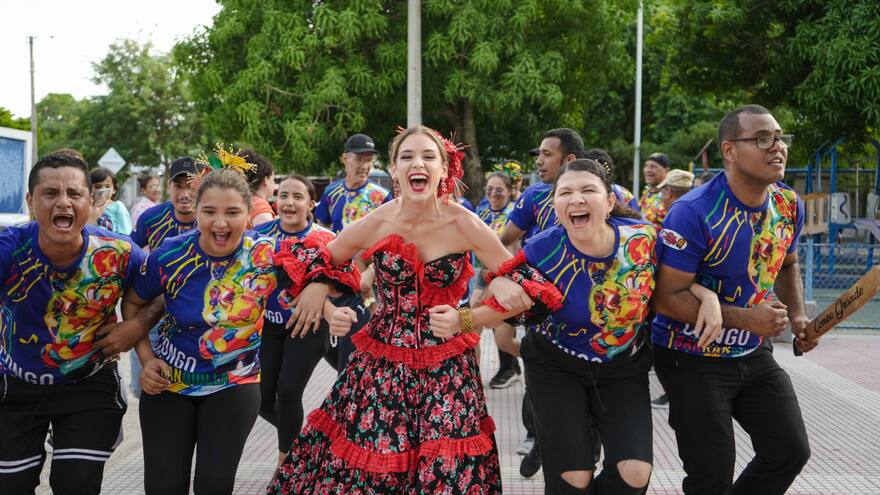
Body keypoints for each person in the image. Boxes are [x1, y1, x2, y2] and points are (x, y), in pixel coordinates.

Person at [268, 126, 560, 494]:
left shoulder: (463, 222)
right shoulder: (379, 220)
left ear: (443, 170)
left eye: (428, 156)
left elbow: (528, 292)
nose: (416, 163)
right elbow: (324, 261)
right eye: (407, 156)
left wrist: (471, 312)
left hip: (447, 368)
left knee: (447, 471)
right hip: (381, 366)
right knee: (372, 467)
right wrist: (319, 289)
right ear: (394, 169)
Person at [441, 159, 720, 494]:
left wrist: (707, 296)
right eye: (566, 193)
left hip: (623, 368)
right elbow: (503, 306)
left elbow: (672, 282)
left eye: (588, 190)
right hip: (555, 367)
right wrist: (462, 319)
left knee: (635, 473)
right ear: (555, 204)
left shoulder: (643, 239)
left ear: (610, 201)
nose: (576, 199)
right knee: (574, 478)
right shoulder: (544, 249)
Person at [127, 164, 356, 495]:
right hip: (167, 386)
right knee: (164, 487)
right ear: (197, 212)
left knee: (215, 486)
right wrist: (146, 359)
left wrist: (321, 289)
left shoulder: (266, 254)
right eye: (209, 212)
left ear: (249, 213)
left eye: (232, 212)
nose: (220, 224)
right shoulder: (171, 254)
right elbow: (132, 303)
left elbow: (335, 261)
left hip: (234, 385)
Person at [652, 104, 816, 494]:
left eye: (780, 138)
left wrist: (796, 317)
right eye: (762, 139)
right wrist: (748, 320)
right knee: (711, 474)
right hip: (690, 356)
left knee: (790, 450)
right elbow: (665, 297)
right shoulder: (693, 212)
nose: (777, 147)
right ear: (729, 151)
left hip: (752, 354)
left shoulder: (787, 205)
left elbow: (787, 264)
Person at [0, 151, 158, 494]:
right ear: (30, 201)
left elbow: (165, 290)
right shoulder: (9, 249)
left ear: (91, 202)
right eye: (50, 193)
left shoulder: (119, 252)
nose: (63, 202)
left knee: (76, 484)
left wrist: (138, 324)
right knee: (10, 485)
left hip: (88, 385)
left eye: (74, 194)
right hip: (16, 387)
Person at [253, 174, 368, 467]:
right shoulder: (257, 236)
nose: (289, 203)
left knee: (289, 390)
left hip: (311, 326)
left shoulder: (326, 240)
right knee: (262, 399)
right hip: (269, 327)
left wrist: (327, 299)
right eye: (283, 196)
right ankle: (306, 444)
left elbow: (350, 281)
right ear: (274, 201)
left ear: (311, 204)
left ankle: (286, 468)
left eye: (298, 197)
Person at [499, 127, 584, 476]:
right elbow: (504, 241)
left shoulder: (603, 199)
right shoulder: (534, 198)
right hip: (541, 312)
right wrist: (503, 281)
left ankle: (578, 449)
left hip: (589, 320)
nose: (539, 160)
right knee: (532, 366)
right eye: (539, 154)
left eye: (547, 154)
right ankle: (537, 435)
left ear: (570, 160)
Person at [128, 157, 202, 398]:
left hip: (193, 320)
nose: (185, 193)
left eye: (192, 186)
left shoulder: (211, 220)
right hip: (151, 318)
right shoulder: (150, 218)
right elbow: (129, 258)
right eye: (178, 185)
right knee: (145, 389)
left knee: (183, 390)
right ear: (168, 187)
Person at [473, 172, 521, 389]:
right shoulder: (481, 210)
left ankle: (533, 361)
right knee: (471, 323)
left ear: (510, 192)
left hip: (505, 277)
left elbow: (512, 250)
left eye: (499, 189)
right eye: (489, 189)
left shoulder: (515, 215)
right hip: (483, 276)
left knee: (502, 338)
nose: (493, 194)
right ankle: (471, 375)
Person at [315, 133, 391, 233]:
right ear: (345, 159)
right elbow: (322, 225)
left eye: (368, 160)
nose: (364, 166)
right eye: (359, 159)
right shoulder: (331, 191)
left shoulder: (382, 196)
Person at [89, 167, 132, 235]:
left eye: (107, 186)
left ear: (114, 190)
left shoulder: (118, 206)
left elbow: (125, 233)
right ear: (90, 189)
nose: (103, 190)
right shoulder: (87, 206)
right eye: (98, 187)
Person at [240, 148, 276, 226]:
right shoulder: (261, 207)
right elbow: (266, 236)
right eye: (273, 179)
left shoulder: (241, 200)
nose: (274, 184)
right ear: (266, 180)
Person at [638, 152, 671, 230]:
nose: (647, 170)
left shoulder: (670, 194)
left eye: (653, 166)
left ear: (666, 170)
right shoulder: (646, 192)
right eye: (646, 166)